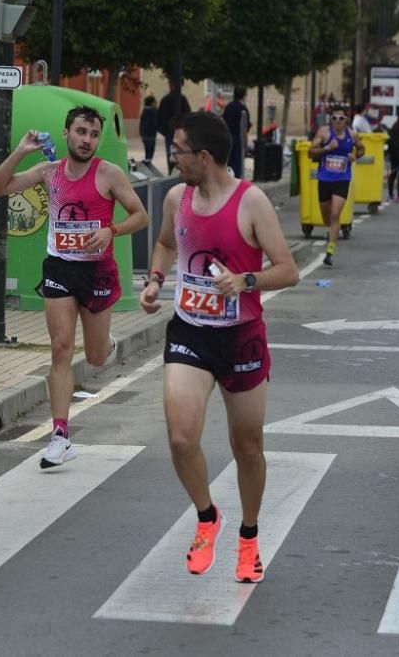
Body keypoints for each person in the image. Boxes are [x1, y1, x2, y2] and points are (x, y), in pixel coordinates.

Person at [139, 111, 299, 584]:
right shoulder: (175, 198)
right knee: (180, 437)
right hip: (190, 331)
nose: (173, 159)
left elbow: (287, 269)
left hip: (241, 337)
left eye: (179, 151)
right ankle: (208, 518)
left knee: (247, 446)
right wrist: (154, 280)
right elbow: (167, 244)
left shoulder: (251, 203)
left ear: (203, 157)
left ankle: (248, 537)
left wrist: (246, 279)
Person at [0, 105, 149, 469]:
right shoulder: (49, 172)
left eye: (93, 134)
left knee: (93, 358)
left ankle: (104, 342)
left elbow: (141, 215)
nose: (87, 140)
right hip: (59, 267)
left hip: (97, 272)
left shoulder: (109, 174)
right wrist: (20, 150)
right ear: (66, 134)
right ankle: (60, 435)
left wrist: (112, 230)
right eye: (81, 132)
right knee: (60, 348)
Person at [308, 105, 363, 267]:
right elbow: (311, 152)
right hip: (324, 179)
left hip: (342, 178)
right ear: (330, 120)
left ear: (346, 120)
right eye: (334, 118)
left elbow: (361, 149)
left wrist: (355, 156)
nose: (337, 121)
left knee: (334, 214)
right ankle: (332, 232)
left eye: (341, 118)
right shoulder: (324, 133)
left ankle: (330, 251)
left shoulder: (352, 135)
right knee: (326, 218)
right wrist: (327, 148)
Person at [158, 81, 192, 174]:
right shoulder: (182, 99)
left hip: (170, 132)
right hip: (176, 132)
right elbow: (188, 115)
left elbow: (159, 117)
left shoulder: (166, 99)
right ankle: (178, 172)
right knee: (179, 152)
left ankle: (171, 172)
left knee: (171, 153)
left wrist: (164, 131)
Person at [222, 86, 249, 179]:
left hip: (227, 137)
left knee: (228, 161)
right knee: (237, 163)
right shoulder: (243, 108)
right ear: (244, 96)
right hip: (238, 138)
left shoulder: (228, 107)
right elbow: (246, 126)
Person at [139, 95, 159, 164]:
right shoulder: (154, 111)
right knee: (151, 148)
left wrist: (141, 132)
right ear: (152, 103)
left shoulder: (144, 111)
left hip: (144, 133)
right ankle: (149, 160)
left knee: (147, 148)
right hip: (151, 134)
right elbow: (156, 123)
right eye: (155, 102)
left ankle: (147, 159)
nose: (156, 103)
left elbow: (141, 123)